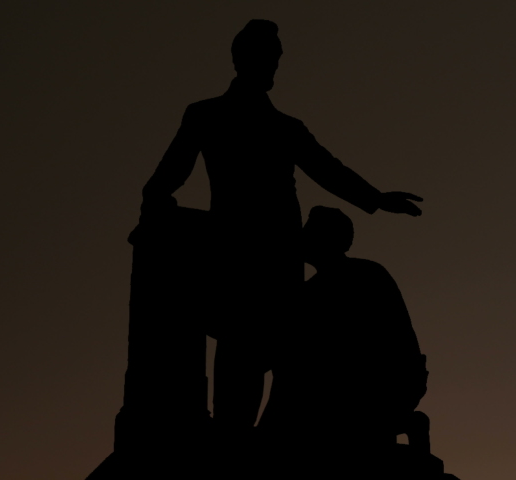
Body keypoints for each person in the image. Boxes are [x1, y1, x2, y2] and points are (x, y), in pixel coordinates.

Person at [139, 19, 423, 438]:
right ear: (243, 60)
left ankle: (272, 437)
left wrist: (376, 199)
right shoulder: (205, 115)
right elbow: (169, 172)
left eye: (277, 60)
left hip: (282, 257)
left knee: (287, 357)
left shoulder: (286, 127)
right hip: (237, 253)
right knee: (241, 351)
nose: (275, 67)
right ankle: (232, 435)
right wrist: (155, 201)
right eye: (269, 59)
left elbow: (328, 169)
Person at [259, 207, 428, 472]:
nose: (302, 239)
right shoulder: (330, 284)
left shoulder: (358, 278)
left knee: (291, 376)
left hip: (371, 388)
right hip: (364, 385)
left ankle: (269, 443)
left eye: (309, 233)